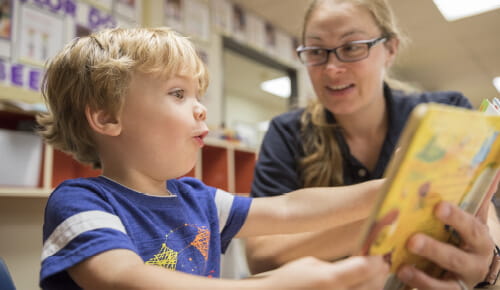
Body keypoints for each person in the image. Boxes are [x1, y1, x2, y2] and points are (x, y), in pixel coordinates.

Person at [36, 27, 390, 289]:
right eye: (178, 93)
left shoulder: (197, 198)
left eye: (198, 95)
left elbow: (289, 209)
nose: (201, 109)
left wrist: (385, 189)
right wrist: (271, 285)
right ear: (108, 118)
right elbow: (123, 278)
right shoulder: (81, 203)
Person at [246, 0, 500, 289]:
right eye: (316, 51)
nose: (332, 68)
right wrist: (402, 210)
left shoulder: (445, 113)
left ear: (390, 49)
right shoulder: (287, 132)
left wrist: (490, 263)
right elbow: (262, 254)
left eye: (352, 47)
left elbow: (482, 215)